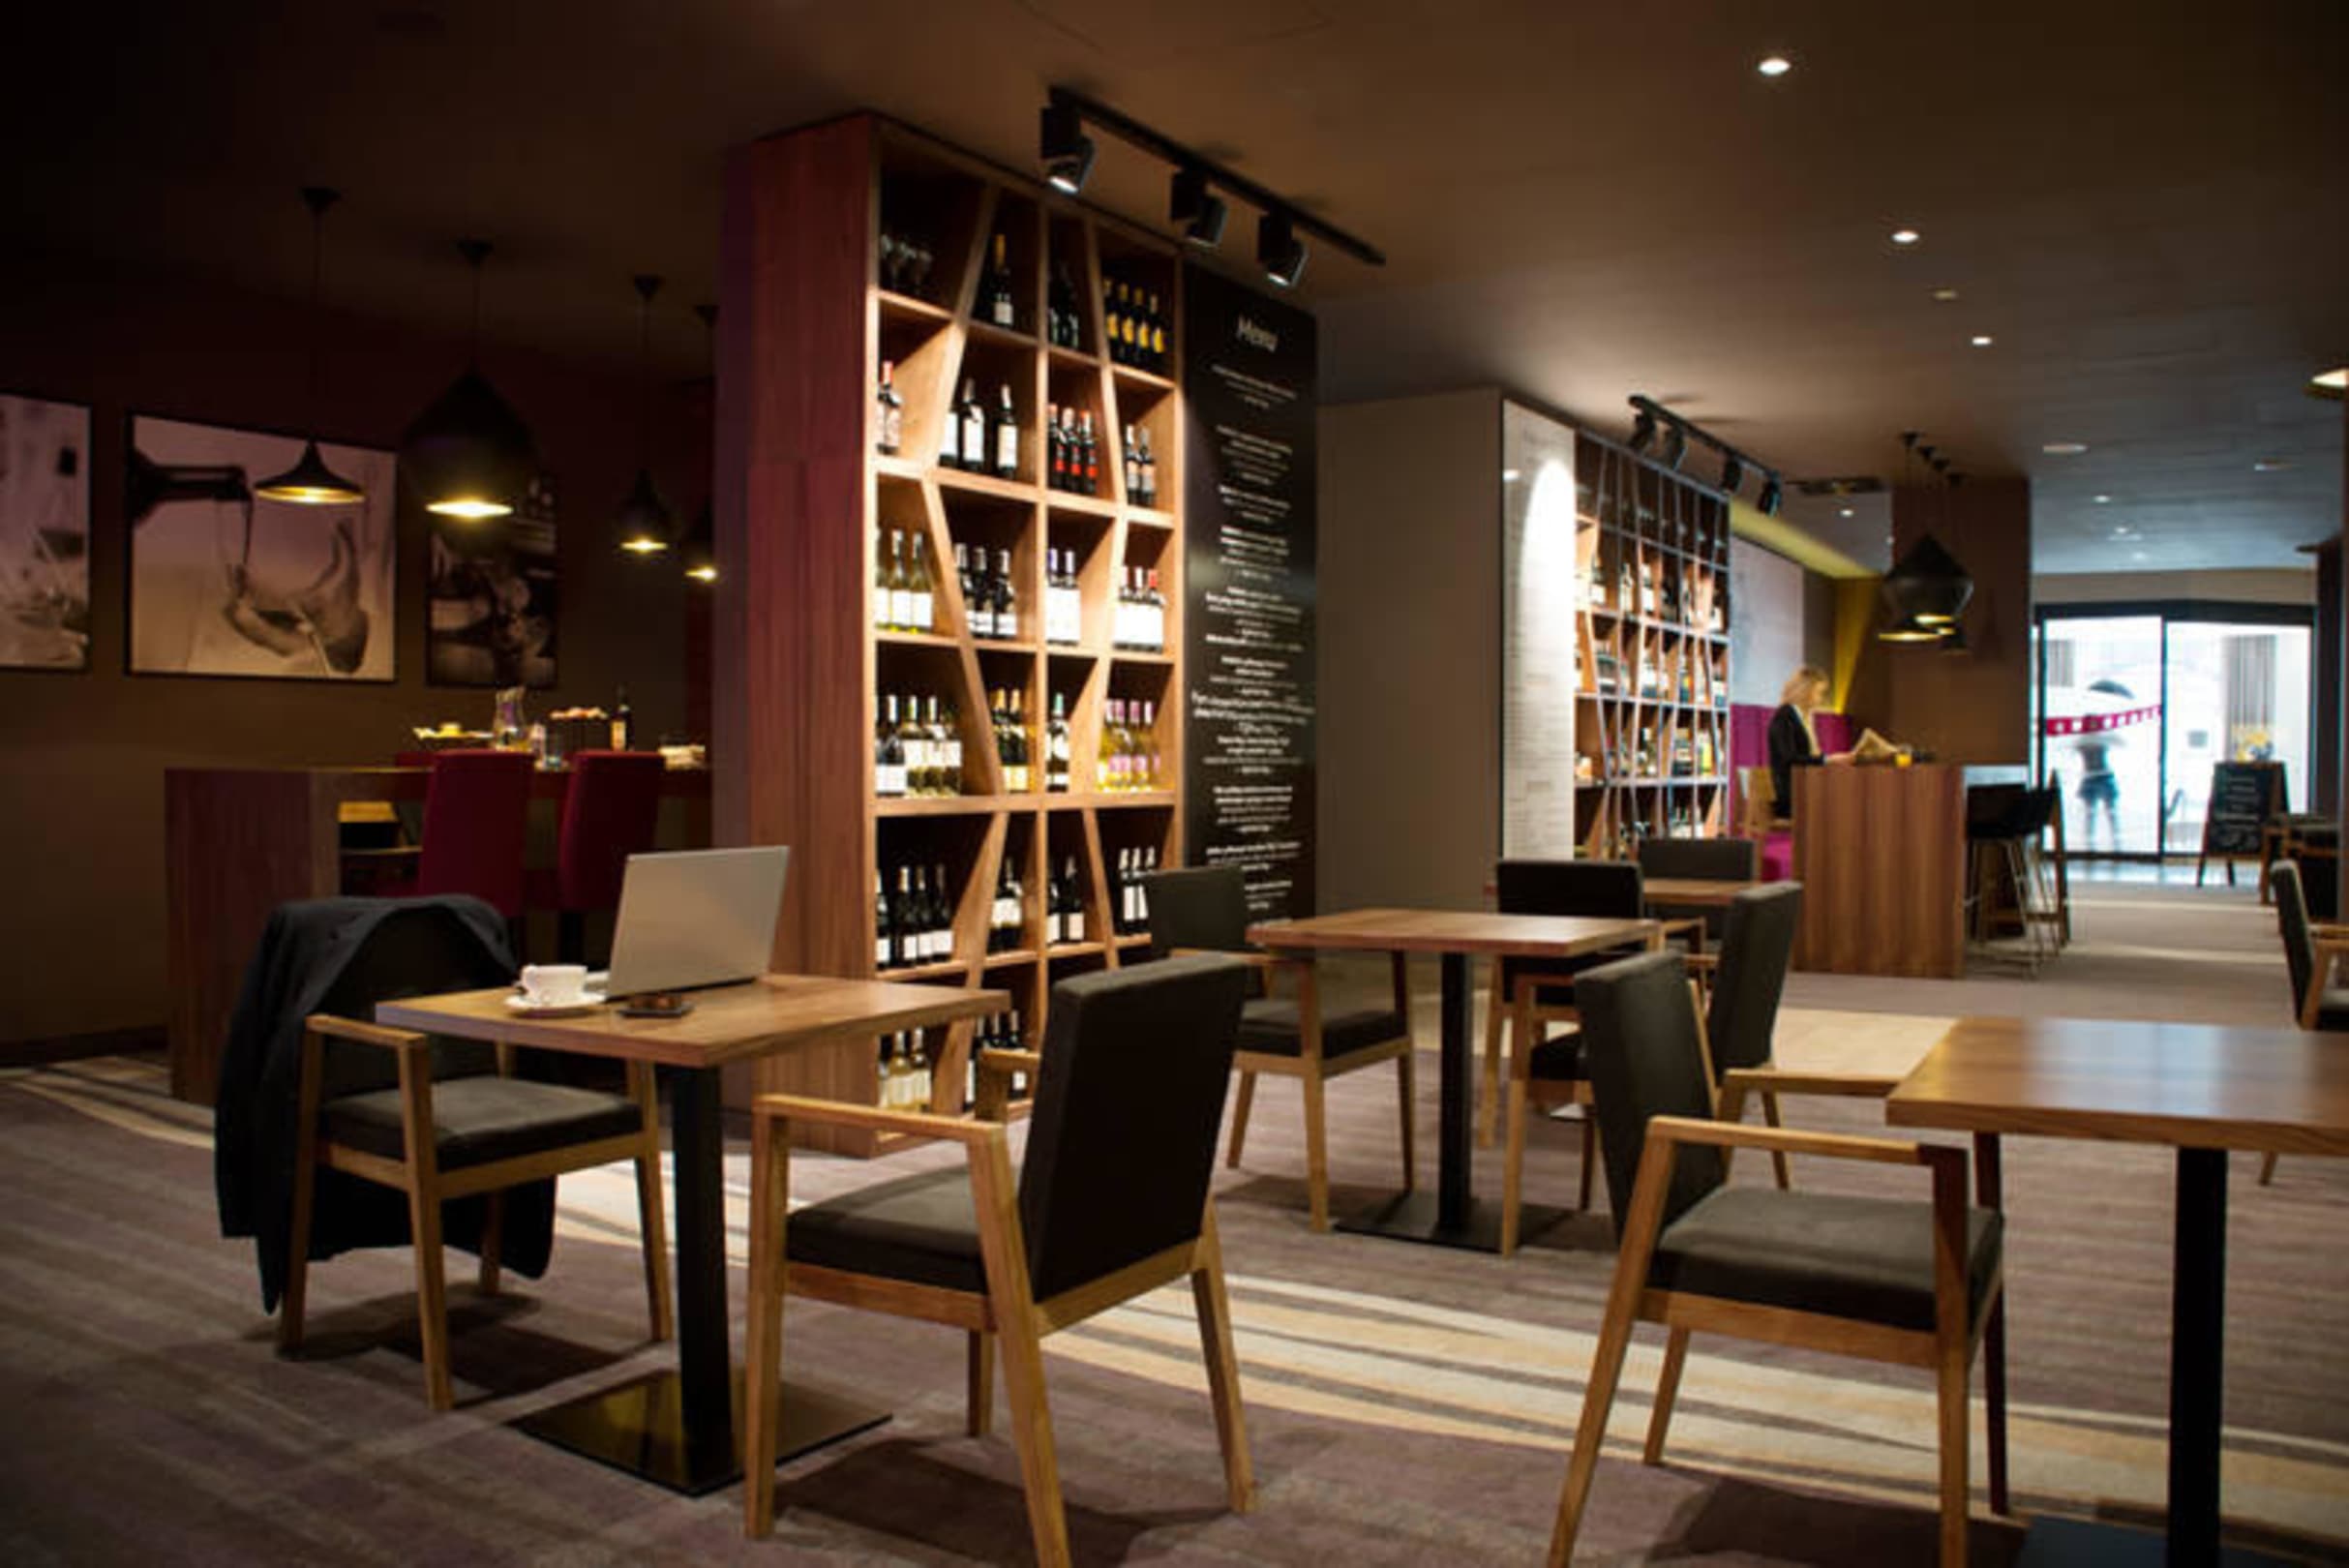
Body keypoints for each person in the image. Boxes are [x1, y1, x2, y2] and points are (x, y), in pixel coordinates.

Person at [1767, 665, 1851, 818]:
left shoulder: (1804, 717)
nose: (1821, 698)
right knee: (1843, 805)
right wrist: (1827, 760)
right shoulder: (1785, 716)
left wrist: (1827, 761)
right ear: (1805, 691)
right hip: (1790, 791)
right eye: (1819, 693)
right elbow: (1788, 759)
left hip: (1805, 786)